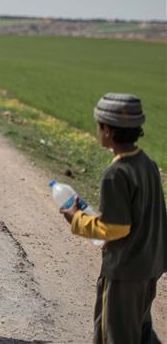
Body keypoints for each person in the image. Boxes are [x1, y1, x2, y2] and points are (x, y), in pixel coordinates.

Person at [60, 93, 165, 344]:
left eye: (98, 126)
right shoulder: (147, 164)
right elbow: (159, 215)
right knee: (140, 332)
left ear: (106, 130)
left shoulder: (114, 174)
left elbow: (115, 228)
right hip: (149, 267)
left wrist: (77, 219)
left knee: (113, 334)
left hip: (124, 271)